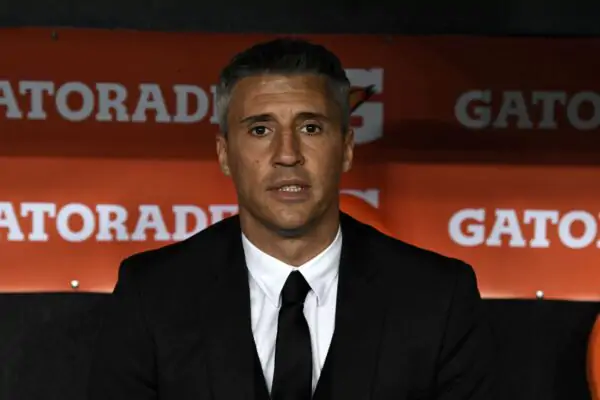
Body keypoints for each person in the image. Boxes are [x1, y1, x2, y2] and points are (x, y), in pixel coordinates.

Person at [87, 38, 495, 400]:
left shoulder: (438, 298)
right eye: (260, 130)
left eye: (311, 128)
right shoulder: (152, 295)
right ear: (225, 154)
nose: (287, 154)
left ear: (347, 148)